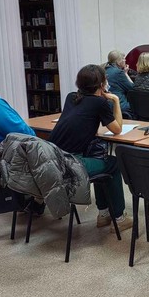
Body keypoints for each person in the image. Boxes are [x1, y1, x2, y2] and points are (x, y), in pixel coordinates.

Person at [49, 64, 132, 232]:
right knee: (113, 164)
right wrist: (115, 100)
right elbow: (117, 129)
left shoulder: (71, 97)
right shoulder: (99, 102)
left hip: (52, 159)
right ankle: (119, 217)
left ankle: (103, 214)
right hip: (71, 163)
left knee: (100, 160)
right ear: (102, 84)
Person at [105, 50, 135, 118]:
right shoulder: (118, 73)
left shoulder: (105, 70)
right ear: (118, 61)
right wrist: (125, 74)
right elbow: (132, 88)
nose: (125, 60)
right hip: (120, 106)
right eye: (123, 58)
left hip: (108, 105)